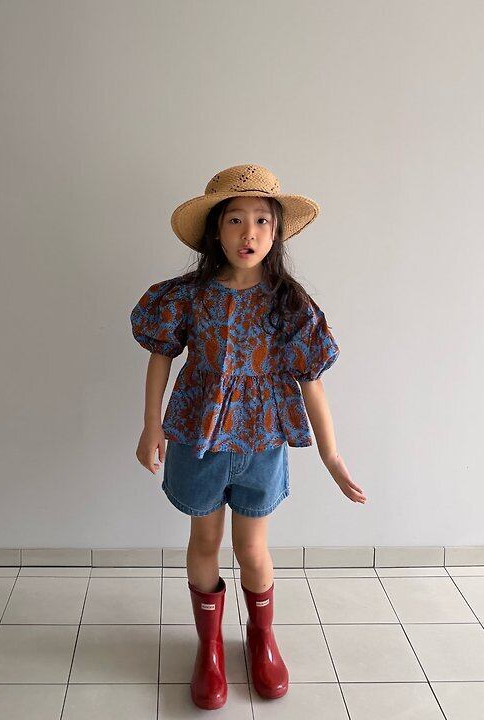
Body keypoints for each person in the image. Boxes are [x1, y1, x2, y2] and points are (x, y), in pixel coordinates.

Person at [130, 163, 367, 710]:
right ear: (216, 230)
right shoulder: (187, 296)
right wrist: (150, 425)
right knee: (204, 542)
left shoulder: (289, 304)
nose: (249, 232)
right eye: (235, 219)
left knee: (252, 548)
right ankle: (210, 647)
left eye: (262, 220)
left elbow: (311, 382)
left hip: (262, 442)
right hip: (197, 440)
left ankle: (261, 638)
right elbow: (160, 358)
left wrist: (331, 456)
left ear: (276, 231)